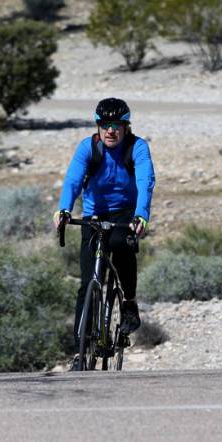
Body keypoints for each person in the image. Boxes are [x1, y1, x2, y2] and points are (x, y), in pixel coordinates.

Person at [54, 98, 156, 371]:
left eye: (117, 126)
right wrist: (64, 209)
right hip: (94, 213)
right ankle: (80, 350)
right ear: (98, 127)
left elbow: (146, 181)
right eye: (105, 125)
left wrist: (142, 215)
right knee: (87, 281)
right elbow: (73, 179)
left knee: (121, 245)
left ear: (126, 127)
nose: (111, 131)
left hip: (126, 211)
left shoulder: (137, 147)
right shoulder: (88, 147)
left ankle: (130, 304)